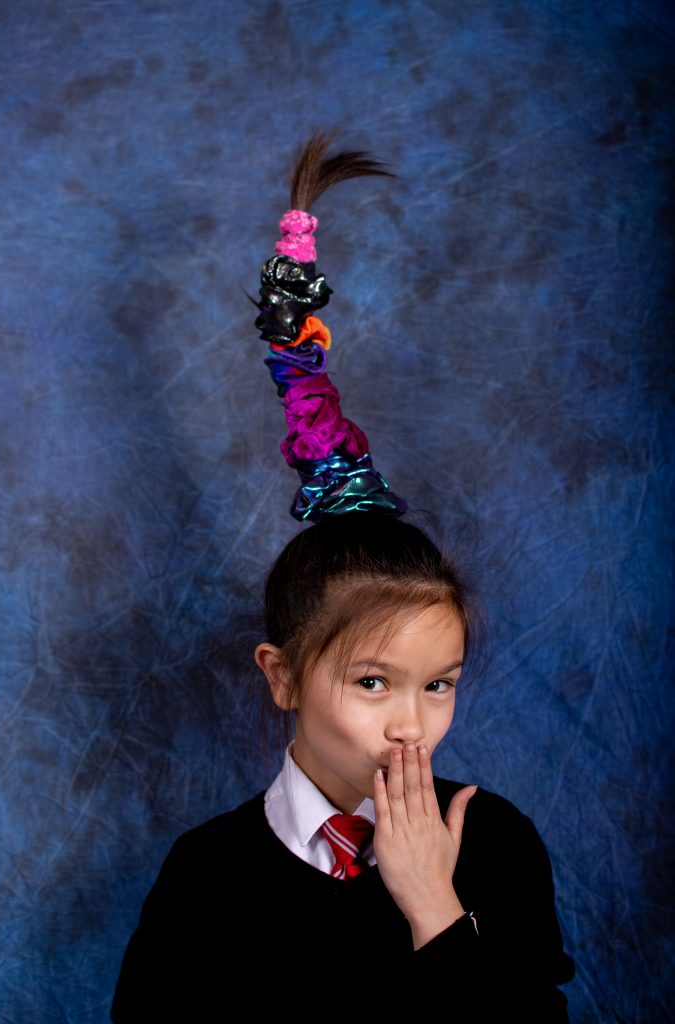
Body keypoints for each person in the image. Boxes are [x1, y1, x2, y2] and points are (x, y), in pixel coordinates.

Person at [110, 134, 575, 1021]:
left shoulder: (495, 844)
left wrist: (432, 905)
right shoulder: (207, 875)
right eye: (372, 682)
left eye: (438, 685)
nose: (412, 726)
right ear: (281, 674)